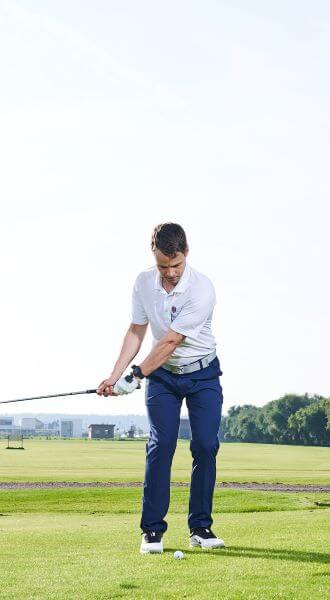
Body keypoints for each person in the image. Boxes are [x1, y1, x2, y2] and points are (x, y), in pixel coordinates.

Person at [97, 223, 225, 554]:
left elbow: (170, 341)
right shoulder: (143, 283)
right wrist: (115, 375)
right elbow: (137, 331)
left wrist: (137, 374)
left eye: (176, 265)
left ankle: (201, 528)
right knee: (161, 445)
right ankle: (152, 532)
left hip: (202, 375)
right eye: (163, 266)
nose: (169, 273)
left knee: (206, 446)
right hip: (164, 377)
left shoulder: (202, 289)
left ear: (186, 254)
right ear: (153, 257)